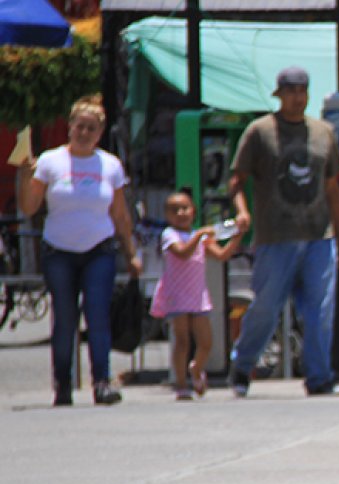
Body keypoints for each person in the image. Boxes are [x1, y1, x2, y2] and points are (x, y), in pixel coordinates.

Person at [226, 66, 339, 398]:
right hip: (275, 236)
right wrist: (242, 211)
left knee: (320, 311)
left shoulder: (323, 132)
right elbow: (237, 180)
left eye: (302, 91)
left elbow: (332, 188)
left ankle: (320, 377)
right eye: (291, 91)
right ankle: (242, 366)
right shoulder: (260, 131)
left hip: (319, 236)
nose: (297, 97)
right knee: (266, 308)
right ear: (279, 95)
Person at [16, 94, 142, 407]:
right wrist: (24, 176)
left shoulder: (110, 165)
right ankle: (63, 384)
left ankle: (101, 382)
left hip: (99, 249)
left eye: (91, 128)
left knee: (98, 315)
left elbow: (120, 214)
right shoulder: (50, 161)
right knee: (64, 319)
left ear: (100, 133)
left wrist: (131, 252)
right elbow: (29, 206)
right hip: (59, 250)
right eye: (79, 126)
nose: (84, 133)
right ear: (70, 127)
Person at [149, 192, 242, 400]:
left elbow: (222, 255)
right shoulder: (170, 235)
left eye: (185, 208)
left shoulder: (199, 237)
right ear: (167, 215)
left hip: (197, 295)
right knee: (182, 341)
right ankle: (181, 384)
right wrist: (199, 235)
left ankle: (197, 368)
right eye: (175, 210)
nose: (181, 213)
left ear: (193, 211)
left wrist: (237, 236)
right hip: (177, 295)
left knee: (206, 341)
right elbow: (182, 253)